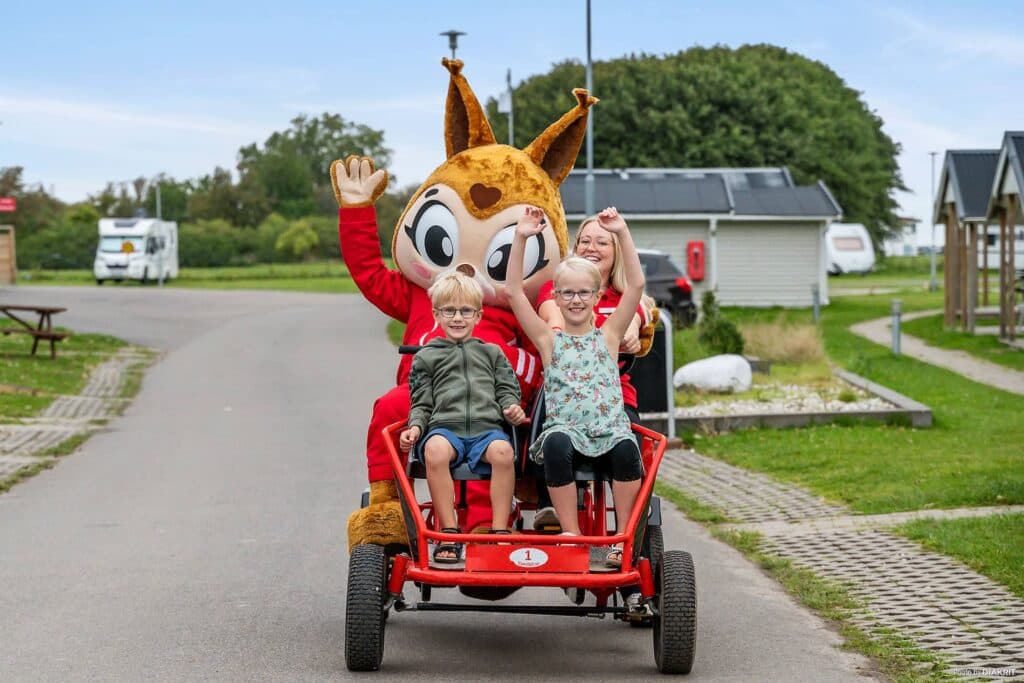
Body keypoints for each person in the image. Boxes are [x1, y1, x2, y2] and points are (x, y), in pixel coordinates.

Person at [507, 206, 645, 568]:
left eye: (584, 293)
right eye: (567, 293)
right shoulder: (549, 339)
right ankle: (571, 533)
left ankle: (622, 537)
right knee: (554, 443)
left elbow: (637, 286)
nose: (576, 300)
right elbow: (512, 292)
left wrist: (623, 231)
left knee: (628, 448)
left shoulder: (609, 334)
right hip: (567, 428)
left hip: (607, 430)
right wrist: (521, 237)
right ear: (556, 296)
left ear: (597, 298)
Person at [531, 213, 655, 529]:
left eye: (602, 241)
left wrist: (637, 322)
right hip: (565, 393)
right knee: (543, 422)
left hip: (611, 400)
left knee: (635, 444)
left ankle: (632, 524)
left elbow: (639, 299)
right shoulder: (562, 289)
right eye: (585, 240)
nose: (592, 247)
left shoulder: (618, 298)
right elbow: (550, 312)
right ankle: (551, 504)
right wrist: (561, 332)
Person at [399, 272, 528, 563]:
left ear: (478, 315)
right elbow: (421, 402)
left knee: (504, 451)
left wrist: (512, 407)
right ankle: (449, 531)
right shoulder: (427, 357)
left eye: (466, 311)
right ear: (436, 314)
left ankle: (498, 531)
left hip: (486, 431)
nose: (458, 318)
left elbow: (507, 389)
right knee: (434, 450)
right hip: (445, 429)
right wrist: (416, 428)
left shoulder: (492, 353)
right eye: (449, 311)